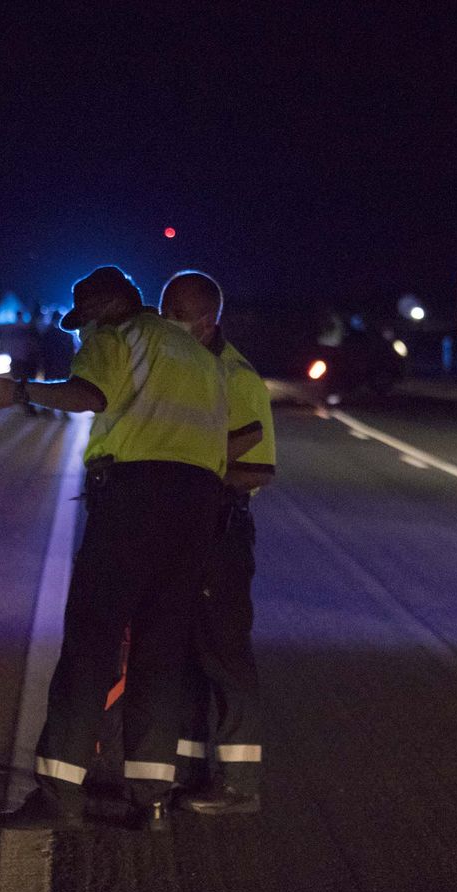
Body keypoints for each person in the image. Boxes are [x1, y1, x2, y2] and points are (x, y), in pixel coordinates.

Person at [0, 266, 228, 830]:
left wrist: (21, 391)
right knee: (161, 650)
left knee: (93, 641)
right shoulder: (199, 356)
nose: (80, 336)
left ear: (106, 308)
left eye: (84, 324)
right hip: (200, 506)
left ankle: (60, 796)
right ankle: (152, 800)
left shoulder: (117, 337)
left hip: (135, 501)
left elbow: (91, 395)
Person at [158, 271, 275, 814]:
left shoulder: (238, 377)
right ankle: (188, 772)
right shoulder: (175, 368)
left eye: (178, 313)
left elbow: (258, 469)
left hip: (219, 532)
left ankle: (237, 783)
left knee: (224, 653)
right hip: (179, 529)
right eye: (164, 310)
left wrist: (194, 473)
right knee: (184, 655)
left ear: (208, 322)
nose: (168, 322)